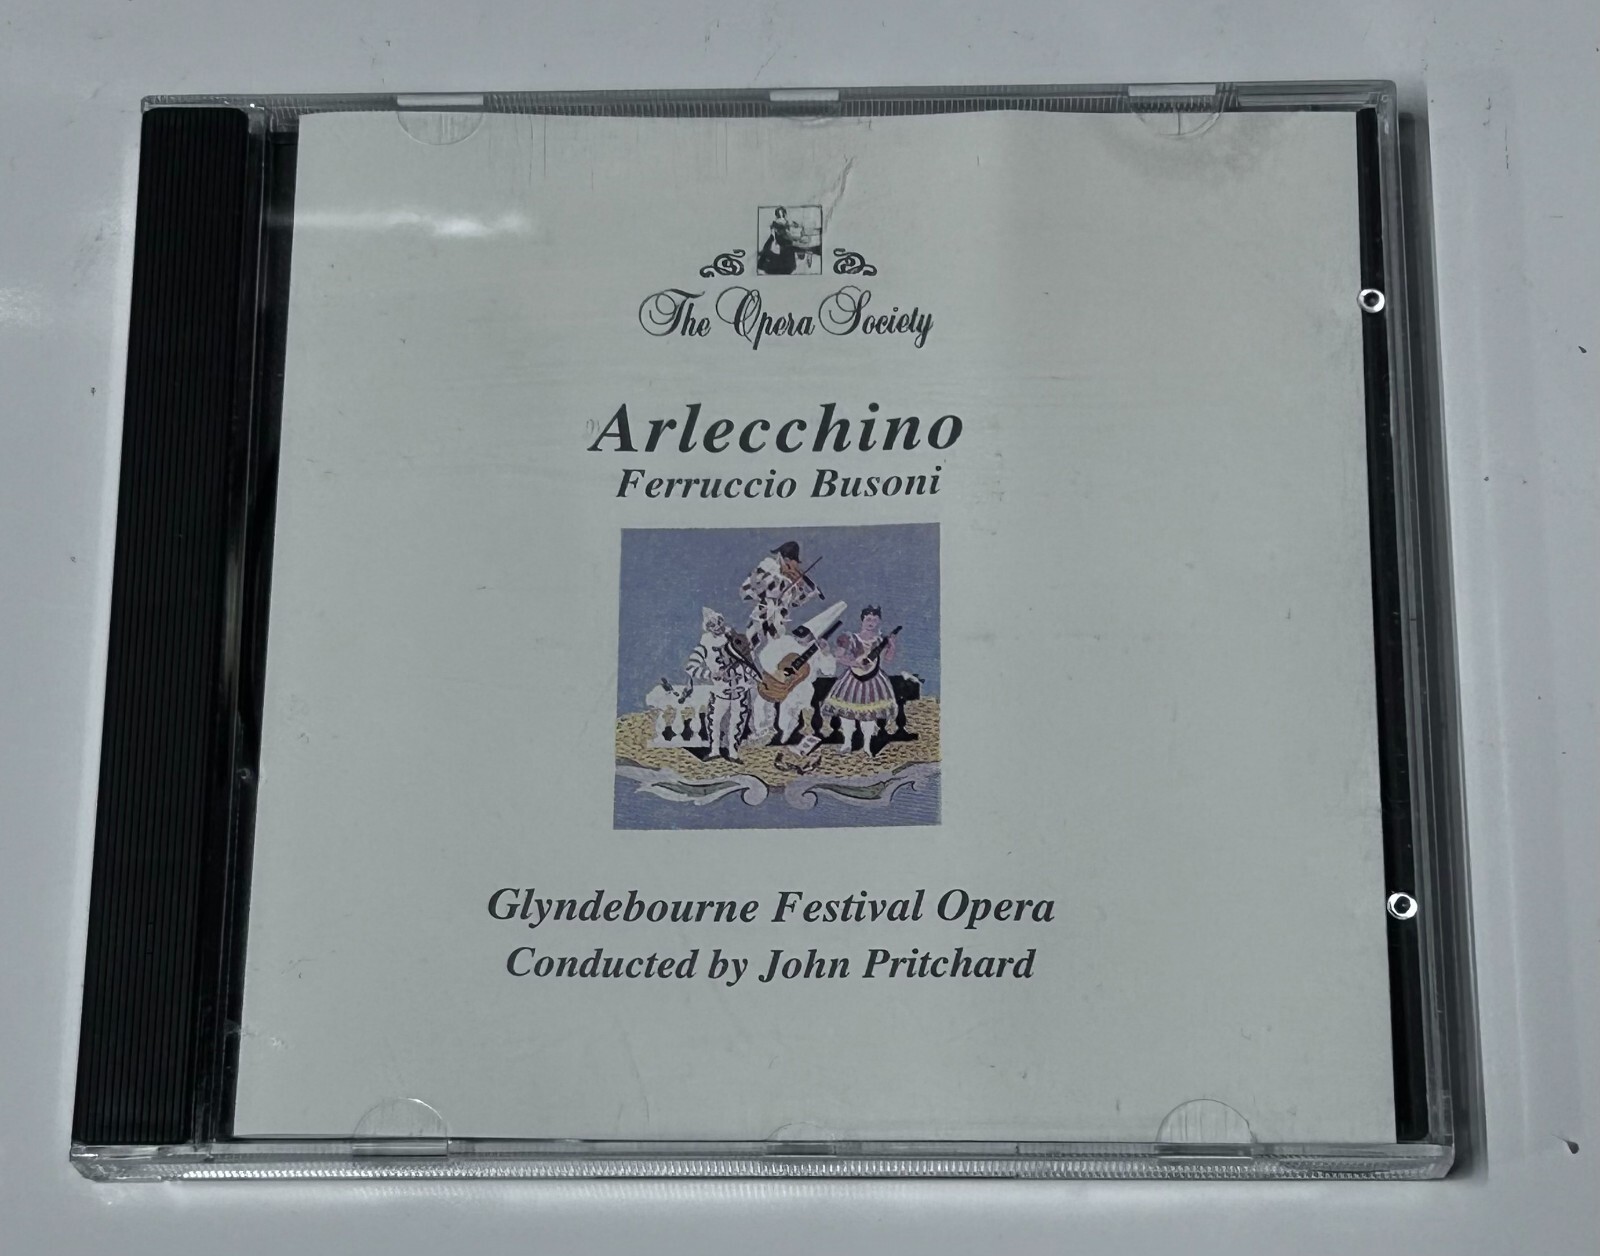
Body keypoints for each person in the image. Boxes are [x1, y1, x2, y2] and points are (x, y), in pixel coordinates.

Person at [819, 606, 899, 755]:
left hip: (874, 679)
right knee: (847, 712)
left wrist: (892, 645)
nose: (871, 623)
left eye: (874, 620)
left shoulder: (880, 640)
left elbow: (887, 659)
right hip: (853, 678)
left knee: (870, 713)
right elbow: (839, 656)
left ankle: (867, 744)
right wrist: (855, 663)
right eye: (868, 619)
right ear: (862, 620)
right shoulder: (851, 638)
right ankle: (847, 743)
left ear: (879, 622)